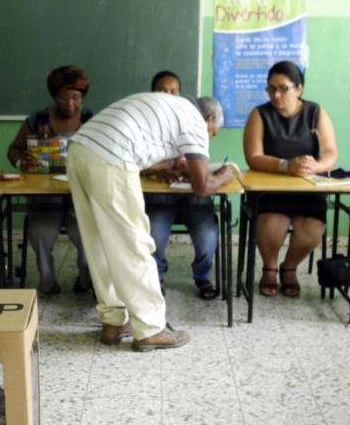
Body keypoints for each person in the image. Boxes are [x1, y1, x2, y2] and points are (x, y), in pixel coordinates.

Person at [67, 92, 234, 352]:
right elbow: (202, 186)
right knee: (134, 242)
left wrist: (170, 166)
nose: (207, 140)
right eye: (212, 134)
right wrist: (225, 175)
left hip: (79, 150)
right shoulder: (195, 122)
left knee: (98, 240)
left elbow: (143, 149)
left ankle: (114, 321)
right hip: (111, 156)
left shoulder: (169, 106)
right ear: (209, 119)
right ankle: (151, 328)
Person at [243, 60, 339, 297]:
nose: (277, 95)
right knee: (270, 227)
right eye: (271, 88)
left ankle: (290, 268)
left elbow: (330, 153)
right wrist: (286, 166)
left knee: (312, 229)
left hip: (307, 188)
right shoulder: (260, 114)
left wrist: (316, 166)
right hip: (270, 189)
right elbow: (253, 157)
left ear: (299, 88)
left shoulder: (315, 112)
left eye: (283, 88)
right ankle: (270, 268)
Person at [6, 65, 92, 295]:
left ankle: (86, 280)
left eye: (77, 98)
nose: (71, 104)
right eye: (64, 98)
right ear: (54, 97)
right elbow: (13, 149)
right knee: (39, 233)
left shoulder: (94, 121)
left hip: (81, 198)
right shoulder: (38, 120)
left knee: (86, 233)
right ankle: (47, 281)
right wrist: (21, 162)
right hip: (45, 197)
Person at [142, 77, 224, 299]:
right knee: (154, 235)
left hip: (192, 194)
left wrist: (193, 170)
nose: (167, 96)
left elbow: (199, 171)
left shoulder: (191, 121)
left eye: (173, 91)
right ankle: (157, 276)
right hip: (161, 193)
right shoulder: (148, 121)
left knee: (207, 236)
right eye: (162, 90)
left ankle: (203, 277)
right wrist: (162, 168)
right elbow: (140, 162)